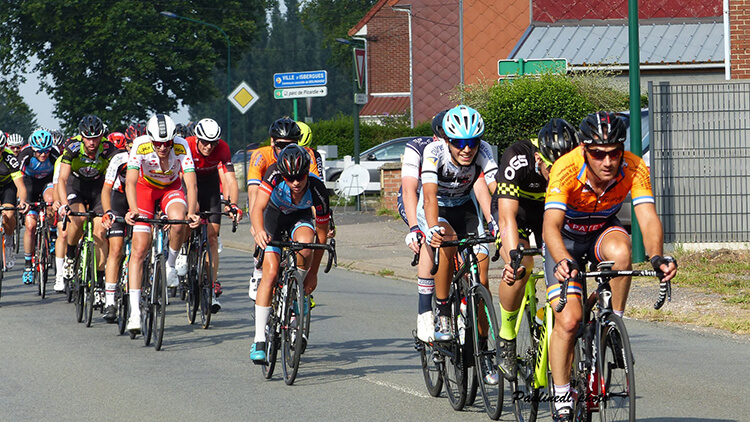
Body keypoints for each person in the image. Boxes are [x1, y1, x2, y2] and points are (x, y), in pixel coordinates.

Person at [542, 111, 678, 421]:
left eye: (614, 153)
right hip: (566, 241)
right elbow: (550, 225)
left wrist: (657, 257)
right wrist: (562, 258)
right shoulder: (565, 168)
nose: (608, 161)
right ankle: (562, 393)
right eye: (599, 154)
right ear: (585, 151)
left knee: (622, 250)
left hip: (602, 229)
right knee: (569, 319)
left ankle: (611, 321)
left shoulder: (634, 166)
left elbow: (646, 216)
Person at [492, 117, 579, 379]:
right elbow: (506, 217)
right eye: (552, 167)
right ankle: (507, 337)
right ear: (540, 158)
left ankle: (546, 318)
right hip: (515, 212)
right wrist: (511, 259)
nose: (557, 174)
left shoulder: (576, 162)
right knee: (522, 267)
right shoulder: (517, 157)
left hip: (549, 214)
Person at [420, 105, 499, 383]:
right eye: (460, 143)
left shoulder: (485, 150)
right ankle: (442, 309)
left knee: (482, 274)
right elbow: (429, 196)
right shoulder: (434, 153)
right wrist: (431, 229)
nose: (467, 149)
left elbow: (493, 188)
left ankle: (485, 349)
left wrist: (498, 222)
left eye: (472, 142)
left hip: (465, 207)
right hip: (437, 208)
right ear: (447, 141)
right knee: (446, 240)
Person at [249, 144, 331, 362]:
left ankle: (297, 292)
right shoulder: (274, 173)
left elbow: (321, 237)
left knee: (307, 243)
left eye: (300, 177)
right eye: (290, 178)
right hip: (273, 216)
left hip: (299, 217)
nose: (295, 183)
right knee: (272, 273)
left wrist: (312, 274)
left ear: (307, 172)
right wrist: (258, 231)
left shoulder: (317, 189)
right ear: (283, 174)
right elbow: (258, 207)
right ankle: (259, 339)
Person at [124, 114, 199, 333]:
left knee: (178, 220)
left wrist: (192, 212)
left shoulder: (182, 145)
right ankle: (135, 313)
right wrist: (134, 210)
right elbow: (129, 182)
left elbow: (191, 184)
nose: (163, 148)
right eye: (158, 144)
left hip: (170, 187)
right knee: (139, 249)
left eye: (167, 143)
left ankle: (170, 265)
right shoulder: (140, 145)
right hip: (144, 189)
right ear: (150, 139)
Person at [246, 118, 322, 301]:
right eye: (280, 145)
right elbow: (254, 192)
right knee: (262, 230)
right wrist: (256, 225)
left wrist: (320, 221)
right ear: (272, 142)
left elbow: (313, 191)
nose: (285, 149)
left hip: (295, 208)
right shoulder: (261, 155)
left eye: (292, 144)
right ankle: (258, 268)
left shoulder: (306, 155)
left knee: (306, 240)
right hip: (267, 203)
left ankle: (295, 287)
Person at [183, 118, 242, 312]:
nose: (209, 147)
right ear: (197, 138)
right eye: (205, 142)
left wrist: (233, 204)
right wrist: (192, 204)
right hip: (188, 183)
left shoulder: (222, 148)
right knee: (188, 218)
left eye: (213, 143)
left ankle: (212, 282)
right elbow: (182, 177)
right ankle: (185, 252)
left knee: (212, 237)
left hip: (209, 187)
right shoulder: (188, 146)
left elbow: (230, 180)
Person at [398, 110, 446, 342]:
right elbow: (408, 189)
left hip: (447, 197)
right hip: (416, 197)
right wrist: (415, 228)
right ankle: (424, 310)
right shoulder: (418, 147)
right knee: (428, 238)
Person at [57, 115, 118, 290]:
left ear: (102, 136)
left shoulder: (108, 149)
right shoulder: (72, 147)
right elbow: (62, 179)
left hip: (98, 189)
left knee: (100, 231)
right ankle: (69, 255)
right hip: (76, 186)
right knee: (78, 219)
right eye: (88, 138)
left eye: (96, 137)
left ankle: (99, 282)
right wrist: (63, 204)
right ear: (81, 136)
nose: (92, 142)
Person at [99, 127, 134, 322]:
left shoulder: (150, 158)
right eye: (130, 145)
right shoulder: (119, 159)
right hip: (119, 200)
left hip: (140, 200)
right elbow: (106, 189)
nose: (132, 148)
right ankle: (110, 301)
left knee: (142, 246)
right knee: (116, 250)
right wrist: (107, 212)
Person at [19, 129, 59, 284]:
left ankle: (52, 232)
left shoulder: (54, 154)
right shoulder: (26, 154)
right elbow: (19, 179)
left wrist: (57, 201)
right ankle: (28, 264)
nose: (44, 155)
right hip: (29, 183)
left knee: (50, 200)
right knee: (30, 225)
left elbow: (60, 178)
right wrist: (22, 200)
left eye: (46, 151)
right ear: (33, 149)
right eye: (40, 152)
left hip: (48, 182)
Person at [0, 132, 29, 269]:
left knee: (9, 214)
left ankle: (9, 243)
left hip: (7, 187)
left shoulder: (10, 158)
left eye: (0, 149)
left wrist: (22, 200)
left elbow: (20, 186)